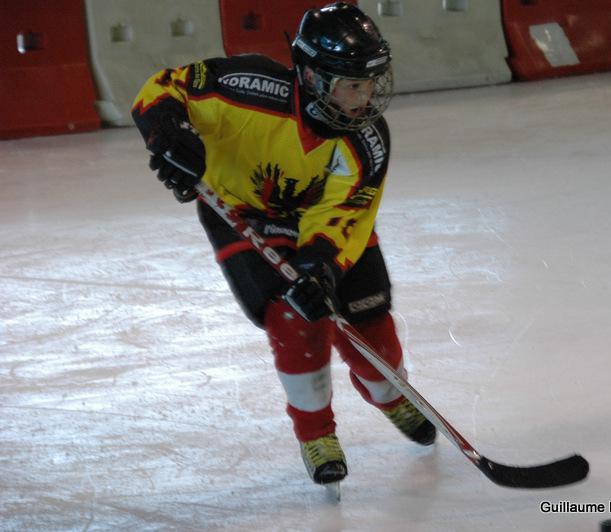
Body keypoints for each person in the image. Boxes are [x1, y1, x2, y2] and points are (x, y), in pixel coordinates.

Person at [131, 3, 435, 486]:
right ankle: (315, 432)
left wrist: (321, 265)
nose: (366, 97)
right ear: (313, 76)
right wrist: (170, 132)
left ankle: (392, 394)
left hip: (323, 227)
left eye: (371, 82)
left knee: (369, 323)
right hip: (243, 213)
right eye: (353, 84)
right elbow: (162, 88)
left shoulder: (367, 138)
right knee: (295, 318)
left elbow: (344, 213)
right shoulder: (244, 87)